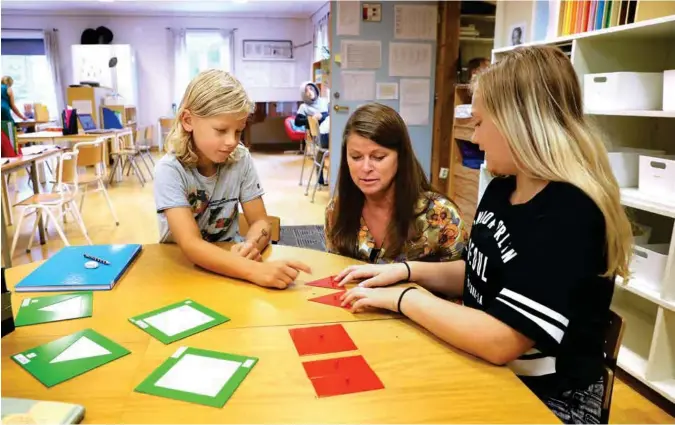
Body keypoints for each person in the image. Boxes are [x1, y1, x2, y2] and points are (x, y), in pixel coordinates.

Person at [336, 46, 633, 424]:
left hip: (550, 399)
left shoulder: (570, 213)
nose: (475, 139)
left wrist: (403, 298)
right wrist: (406, 271)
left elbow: (500, 341)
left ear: (518, 124)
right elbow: (482, 271)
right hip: (490, 368)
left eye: (478, 123)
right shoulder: (501, 189)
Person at [154, 69, 311, 289]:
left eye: (238, 131)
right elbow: (190, 245)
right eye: (221, 130)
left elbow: (260, 222)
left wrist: (250, 245)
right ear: (188, 120)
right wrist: (255, 270)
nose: (232, 142)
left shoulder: (240, 158)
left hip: (233, 269)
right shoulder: (170, 170)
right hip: (184, 271)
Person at [326, 102, 468, 265]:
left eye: (378, 157)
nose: (365, 168)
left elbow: (466, 281)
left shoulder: (440, 214)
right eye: (356, 157)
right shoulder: (336, 210)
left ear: (401, 157)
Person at [295, 81, 329, 185]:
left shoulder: (324, 101)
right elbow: (297, 121)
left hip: (329, 133)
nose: (309, 92)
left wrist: (321, 116)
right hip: (317, 137)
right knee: (323, 148)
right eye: (306, 90)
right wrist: (311, 119)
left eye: (311, 88)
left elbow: (330, 114)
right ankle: (321, 177)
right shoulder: (304, 107)